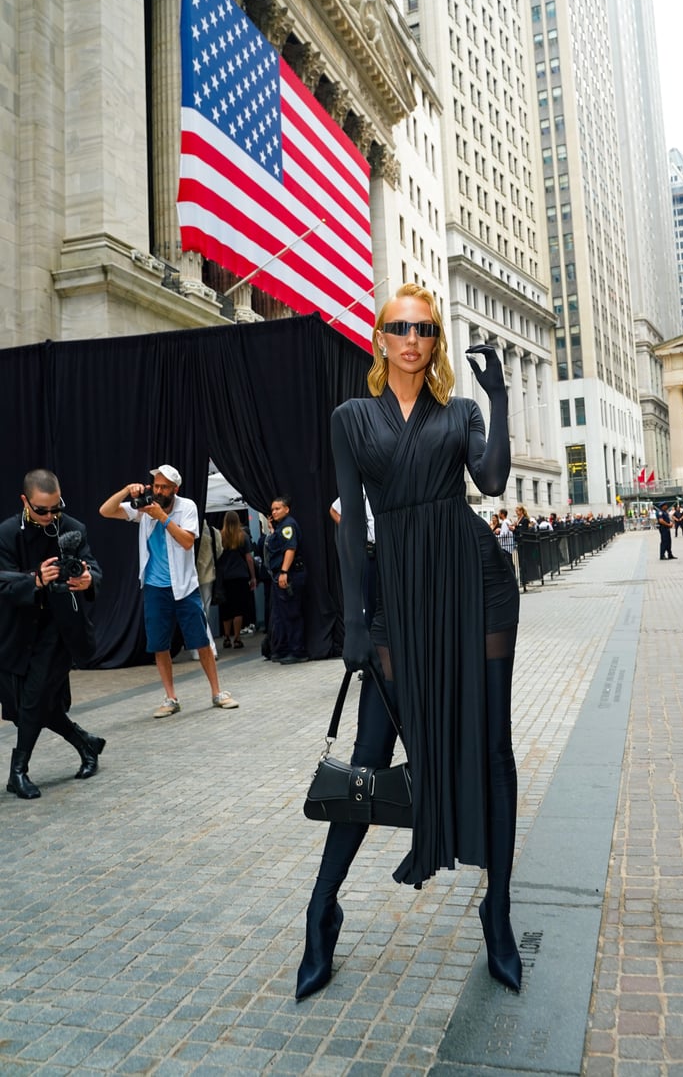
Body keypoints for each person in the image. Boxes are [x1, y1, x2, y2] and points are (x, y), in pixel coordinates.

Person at [296, 283, 521, 1001]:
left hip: (474, 583)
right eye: (400, 327)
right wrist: (356, 622)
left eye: (425, 328)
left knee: (492, 750)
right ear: (381, 337)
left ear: (435, 341)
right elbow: (345, 525)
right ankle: (320, 911)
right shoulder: (350, 418)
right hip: (396, 595)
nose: (413, 338)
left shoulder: (460, 412)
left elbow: (488, 480)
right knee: (369, 756)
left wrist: (501, 399)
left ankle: (500, 914)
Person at [99, 466, 239, 716]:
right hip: (155, 587)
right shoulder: (145, 507)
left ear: (175, 489)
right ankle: (171, 698)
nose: (159, 490)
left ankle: (217, 692)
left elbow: (187, 542)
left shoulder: (187, 507)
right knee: (159, 644)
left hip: (184, 586)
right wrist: (125, 491)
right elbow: (106, 511)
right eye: (156, 485)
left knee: (201, 641)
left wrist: (162, 517)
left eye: (164, 487)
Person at [0, 469, 104, 798]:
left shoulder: (73, 528)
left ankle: (18, 772)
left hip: (60, 631)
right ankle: (86, 743)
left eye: (55, 508)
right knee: (24, 707)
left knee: (32, 701)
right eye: (41, 509)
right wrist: (34, 580)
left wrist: (89, 580)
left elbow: (93, 568)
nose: (49, 516)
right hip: (16, 632)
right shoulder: (6, 533)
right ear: (25, 502)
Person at [266, 495, 308, 664]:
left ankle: (297, 651)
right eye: (272, 510)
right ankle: (284, 648)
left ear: (287, 509)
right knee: (281, 614)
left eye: (277, 508)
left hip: (289, 574)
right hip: (281, 574)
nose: (274, 512)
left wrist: (284, 572)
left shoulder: (288, 526)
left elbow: (290, 549)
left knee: (291, 613)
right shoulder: (281, 527)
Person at [330, 490, 376, 630]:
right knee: (369, 595)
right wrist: (350, 530)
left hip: (388, 546)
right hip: (368, 548)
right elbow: (334, 509)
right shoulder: (360, 490)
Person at [216, 510, 256, 649]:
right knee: (238, 608)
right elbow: (249, 558)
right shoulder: (243, 536)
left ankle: (226, 637)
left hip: (224, 577)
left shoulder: (220, 536)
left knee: (226, 608)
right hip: (240, 575)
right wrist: (253, 577)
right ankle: (237, 638)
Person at [192, 519, 220, 661]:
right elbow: (219, 551)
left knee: (197, 611)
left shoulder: (186, 528)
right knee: (205, 610)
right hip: (208, 574)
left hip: (192, 575)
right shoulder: (213, 531)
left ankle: (198, 648)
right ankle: (205, 647)